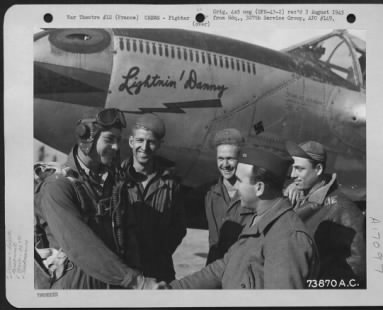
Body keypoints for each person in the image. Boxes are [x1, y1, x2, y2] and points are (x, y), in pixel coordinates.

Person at [34, 108, 159, 289]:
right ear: (87, 139)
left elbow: (128, 238)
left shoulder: (113, 185)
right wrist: (136, 282)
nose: (116, 147)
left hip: (112, 286)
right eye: (109, 140)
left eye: (118, 140)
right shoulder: (58, 186)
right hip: (74, 291)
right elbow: (80, 246)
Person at [166, 148, 318, 289]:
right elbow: (225, 266)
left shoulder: (287, 238)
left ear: (259, 188)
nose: (236, 186)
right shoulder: (260, 219)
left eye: (239, 180)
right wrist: (172, 289)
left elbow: (280, 302)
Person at [285, 140, 366, 287]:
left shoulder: (343, 209)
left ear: (318, 169)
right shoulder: (297, 196)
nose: (292, 175)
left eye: (299, 169)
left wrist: (315, 287)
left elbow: (357, 269)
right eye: (292, 168)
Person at [121, 114, 186, 282]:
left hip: (159, 269)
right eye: (140, 140)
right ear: (131, 142)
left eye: (151, 141)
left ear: (159, 145)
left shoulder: (171, 183)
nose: (144, 147)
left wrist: (160, 253)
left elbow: (178, 227)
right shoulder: (117, 179)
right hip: (125, 271)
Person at [204, 128, 253, 265]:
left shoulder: (253, 193)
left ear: (240, 159)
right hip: (214, 267)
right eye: (220, 158)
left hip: (242, 269)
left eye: (230, 159)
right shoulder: (210, 193)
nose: (225, 165)